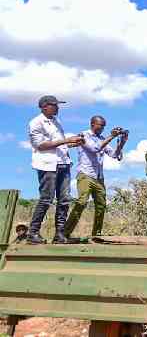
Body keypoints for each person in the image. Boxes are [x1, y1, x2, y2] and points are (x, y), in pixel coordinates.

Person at [27, 95, 84, 244]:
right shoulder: (36, 122)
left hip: (63, 163)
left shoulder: (56, 121)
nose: (58, 107)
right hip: (47, 165)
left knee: (64, 200)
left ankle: (60, 234)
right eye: (55, 105)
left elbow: (59, 145)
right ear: (44, 106)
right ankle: (32, 233)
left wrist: (74, 143)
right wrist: (66, 140)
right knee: (46, 199)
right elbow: (40, 145)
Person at [64, 116, 127, 238]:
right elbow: (94, 149)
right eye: (100, 125)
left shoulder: (102, 138)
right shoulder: (84, 135)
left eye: (104, 126)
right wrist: (111, 136)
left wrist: (122, 142)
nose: (102, 128)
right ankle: (65, 233)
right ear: (92, 124)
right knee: (82, 202)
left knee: (101, 205)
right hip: (85, 174)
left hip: (99, 177)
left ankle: (96, 234)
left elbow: (114, 155)